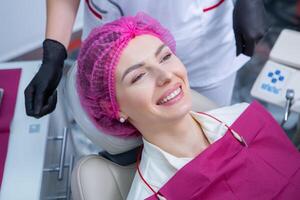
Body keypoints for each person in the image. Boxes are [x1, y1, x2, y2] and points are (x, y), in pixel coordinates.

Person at [76, 13, 300, 200]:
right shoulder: (150, 194)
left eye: (165, 57)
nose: (166, 76)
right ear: (112, 108)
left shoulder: (248, 120)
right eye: (139, 76)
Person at [24, 0, 269, 118]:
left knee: (209, 124)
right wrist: (53, 53)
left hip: (201, 39)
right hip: (115, 46)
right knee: (133, 130)